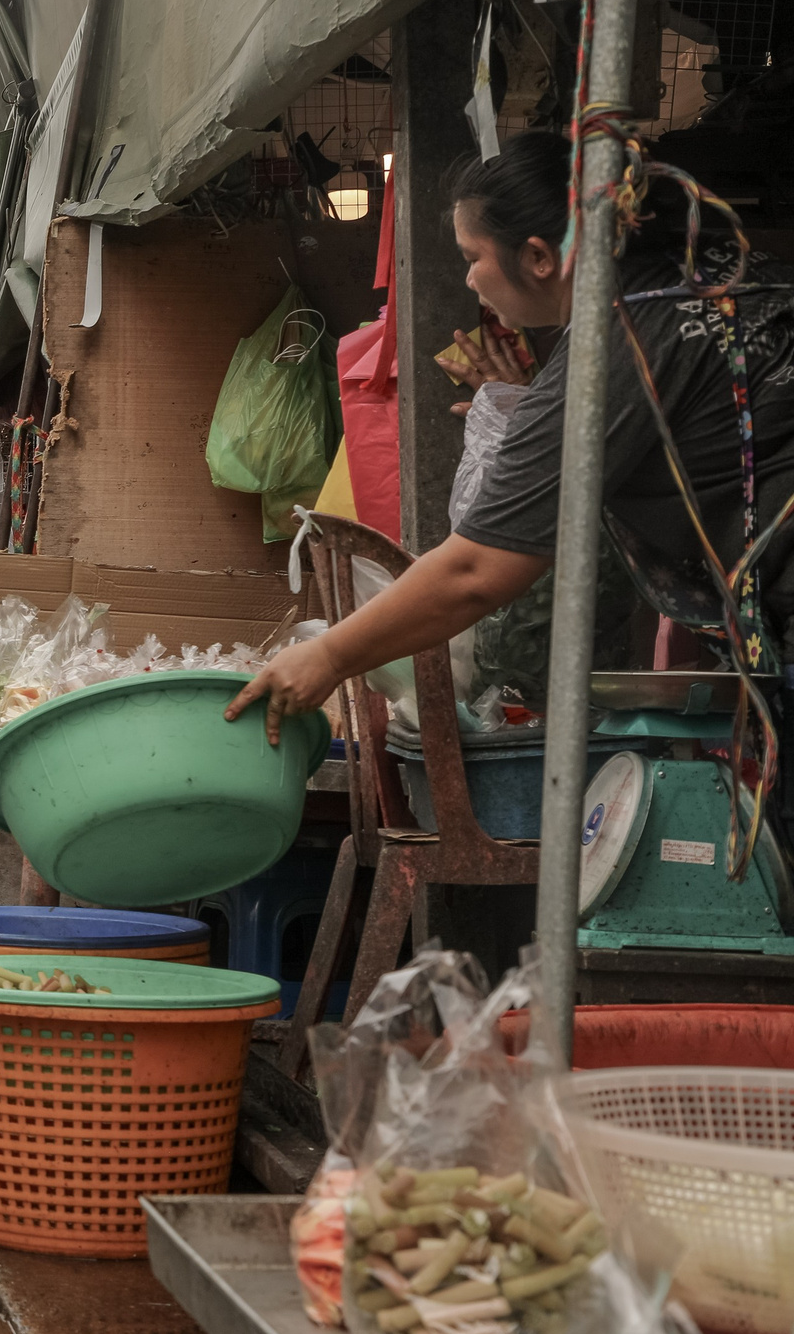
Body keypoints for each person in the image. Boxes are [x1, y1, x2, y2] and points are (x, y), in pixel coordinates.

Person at [230, 132, 794, 827]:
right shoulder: (740, 275)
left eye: (473, 258)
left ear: (537, 255)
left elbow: (475, 570)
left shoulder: (615, 348)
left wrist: (329, 655)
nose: (467, 279)